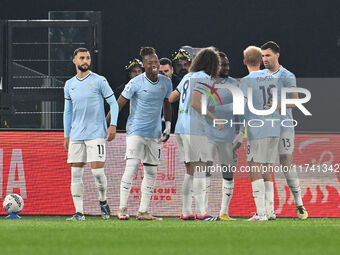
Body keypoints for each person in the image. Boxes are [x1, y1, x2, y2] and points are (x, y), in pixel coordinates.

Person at [113, 46, 172, 220]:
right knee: (131, 169)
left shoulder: (165, 82)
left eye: (156, 61)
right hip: (136, 132)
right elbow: (119, 104)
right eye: (150, 62)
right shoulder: (135, 82)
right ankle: (122, 209)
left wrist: (167, 124)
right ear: (144, 66)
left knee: (151, 172)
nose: (154, 64)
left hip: (154, 133)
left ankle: (143, 211)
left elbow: (167, 104)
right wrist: (110, 124)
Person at [63, 47, 119, 221]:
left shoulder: (99, 81)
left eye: (87, 58)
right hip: (77, 135)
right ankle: (79, 212)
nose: (85, 61)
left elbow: (114, 104)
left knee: (97, 173)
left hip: (96, 133)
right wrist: (67, 135)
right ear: (74, 61)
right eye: (81, 58)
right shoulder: (69, 84)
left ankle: (103, 201)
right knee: (76, 174)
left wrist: (113, 125)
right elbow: (68, 112)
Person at [169, 47, 222, 221]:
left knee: (190, 171)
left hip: (181, 128)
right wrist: (215, 119)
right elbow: (195, 102)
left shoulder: (188, 76)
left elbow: (171, 97)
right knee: (199, 169)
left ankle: (185, 211)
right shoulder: (204, 78)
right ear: (213, 65)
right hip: (195, 128)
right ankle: (202, 212)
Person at [261, 41, 308, 220]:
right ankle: (269, 209)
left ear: (277, 55)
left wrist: (277, 105)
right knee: (265, 165)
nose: (265, 59)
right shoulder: (259, 76)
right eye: (263, 56)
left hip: (284, 125)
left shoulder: (287, 75)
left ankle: (299, 204)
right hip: (265, 126)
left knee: (286, 164)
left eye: (268, 55)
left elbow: (296, 100)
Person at [240, 46, 281, 221]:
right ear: (260, 60)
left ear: (244, 61)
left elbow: (241, 107)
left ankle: (261, 213)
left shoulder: (246, 81)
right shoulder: (273, 78)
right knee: (267, 168)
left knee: (255, 167)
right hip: (274, 127)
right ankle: (270, 211)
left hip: (258, 129)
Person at [204, 51, 239, 221]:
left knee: (228, 173)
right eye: (222, 64)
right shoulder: (205, 83)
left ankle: (224, 212)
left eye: (227, 64)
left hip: (227, 136)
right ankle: (203, 211)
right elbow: (200, 107)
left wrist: (239, 133)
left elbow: (240, 108)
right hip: (207, 135)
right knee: (205, 173)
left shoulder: (234, 84)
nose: (226, 68)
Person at [114, 58, 144, 130]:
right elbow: (114, 109)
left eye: (139, 71)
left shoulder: (149, 88)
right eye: (134, 71)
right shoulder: (120, 91)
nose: (137, 74)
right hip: (124, 129)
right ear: (129, 74)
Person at [159, 57, 181, 132]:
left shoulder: (180, 83)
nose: (164, 74)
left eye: (166, 71)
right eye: (160, 72)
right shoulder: (151, 83)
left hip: (175, 123)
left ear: (172, 70)